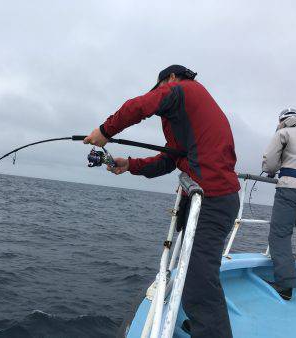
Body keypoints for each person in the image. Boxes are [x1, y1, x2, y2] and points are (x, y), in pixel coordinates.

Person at [84, 65, 240, 338]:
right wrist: (129, 165)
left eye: (159, 87)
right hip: (210, 197)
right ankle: (206, 323)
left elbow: (140, 105)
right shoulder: (186, 115)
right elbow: (169, 160)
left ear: (170, 79)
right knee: (197, 273)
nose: (159, 93)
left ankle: (211, 329)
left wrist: (104, 131)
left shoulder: (183, 90)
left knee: (197, 281)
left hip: (212, 199)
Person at [262, 108, 296, 301]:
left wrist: (270, 171)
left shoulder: (283, 132)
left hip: (290, 191)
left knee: (280, 236)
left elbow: (269, 163)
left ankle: (284, 286)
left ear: (282, 120)